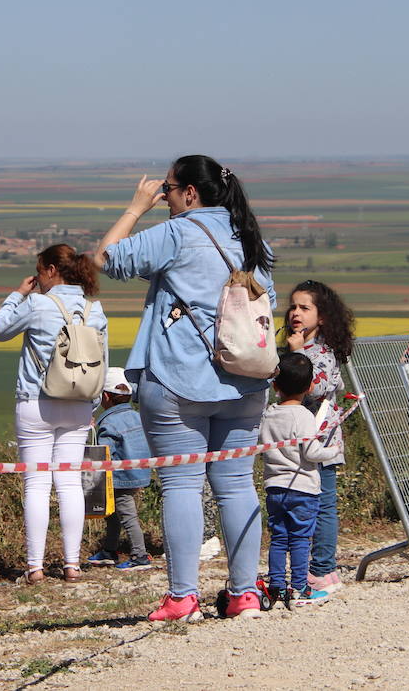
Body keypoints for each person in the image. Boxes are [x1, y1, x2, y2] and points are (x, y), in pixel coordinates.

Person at [95, 155, 275, 622]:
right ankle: (243, 594)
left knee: (180, 485)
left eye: (169, 190)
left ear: (189, 193)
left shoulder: (176, 233)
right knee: (237, 486)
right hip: (245, 382)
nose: (165, 196)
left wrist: (136, 207)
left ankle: (182, 597)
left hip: (178, 378)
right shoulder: (251, 238)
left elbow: (106, 258)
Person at [0, 243, 107, 584]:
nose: (37, 279)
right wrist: (92, 404)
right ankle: (72, 565)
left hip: (36, 402)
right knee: (70, 483)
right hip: (80, 403)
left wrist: (17, 295)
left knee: (37, 485)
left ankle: (35, 568)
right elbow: (104, 359)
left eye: (39, 272)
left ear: (52, 271)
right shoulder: (94, 309)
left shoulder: (37, 304)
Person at [282, 279, 353, 595]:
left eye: (304, 308)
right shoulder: (308, 348)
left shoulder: (319, 351)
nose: (295, 313)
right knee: (313, 505)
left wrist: (297, 356)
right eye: (293, 306)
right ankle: (319, 567)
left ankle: (322, 569)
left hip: (320, 442)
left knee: (322, 506)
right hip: (309, 440)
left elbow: (314, 387)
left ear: (321, 316)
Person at [261, 352, 341, 608]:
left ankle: (275, 587)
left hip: (275, 487)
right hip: (303, 489)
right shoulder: (305, 416)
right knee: (299, 540)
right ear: (309, 387)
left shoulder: (269, 414)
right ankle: (300, 587)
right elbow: (311, 453)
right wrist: (334, 451)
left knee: (279, 538)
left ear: (275, 385)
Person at [86, 367, 153, 571]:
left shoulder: (109, 423)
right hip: (138, 473)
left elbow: (105, 453)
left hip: (119, 478)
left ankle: (140, 555)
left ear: (105, 396)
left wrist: (91, 432)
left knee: (127, 515)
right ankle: (109, 550)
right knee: (113, 514)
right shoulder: (137, 416)